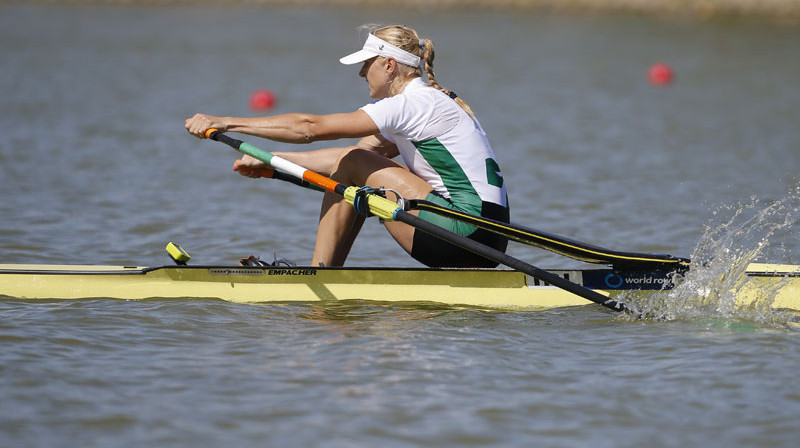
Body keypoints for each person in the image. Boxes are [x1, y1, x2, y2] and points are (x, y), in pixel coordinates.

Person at [185, 24, 509, 268]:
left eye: (367, 64)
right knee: (352, 166)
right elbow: (345, 163)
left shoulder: (409, 104)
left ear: (389, 65)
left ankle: (320, 273)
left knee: (353, 162)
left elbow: (310, 129)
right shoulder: (432, 103)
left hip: (461, 233)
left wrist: (224, 122)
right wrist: (274, 164)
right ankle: (324, 273)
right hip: (488, 240)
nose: (361, 73)